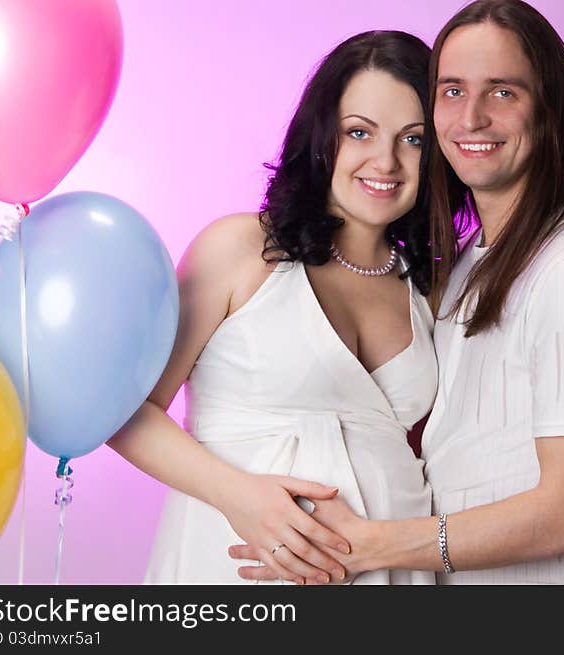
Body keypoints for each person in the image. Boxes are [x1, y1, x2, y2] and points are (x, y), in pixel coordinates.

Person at [232, 0, 564, 585]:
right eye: (451, 91)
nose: (470, 118)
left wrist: (372, 546)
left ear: (549, 110)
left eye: (502, 92)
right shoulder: (466, 267)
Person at [108, 30, 438, 585]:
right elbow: (125, 413)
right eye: (360, 132)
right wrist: (239, 496)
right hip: (235, 568)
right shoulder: (240, 250)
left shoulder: (428, 290)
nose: (386, 161)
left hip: (395, 575)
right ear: (321, 138)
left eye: (414, 139)